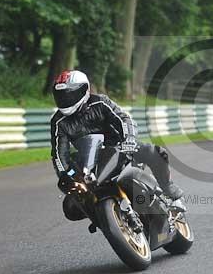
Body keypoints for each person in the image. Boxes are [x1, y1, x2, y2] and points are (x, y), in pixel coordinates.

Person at [49, 70, 184, 203]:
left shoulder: (100, 102)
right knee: (70, 207)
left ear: (85, 90)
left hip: (120, 148)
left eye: (69, 95)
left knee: (155, 153)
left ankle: (167, 187)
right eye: (61, 96)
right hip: (88, 162)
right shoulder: (58, 121)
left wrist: (129, 138)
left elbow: (123, 118)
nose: (65, 99)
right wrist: (66, 174)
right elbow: (59, 153)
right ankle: (100, 218)